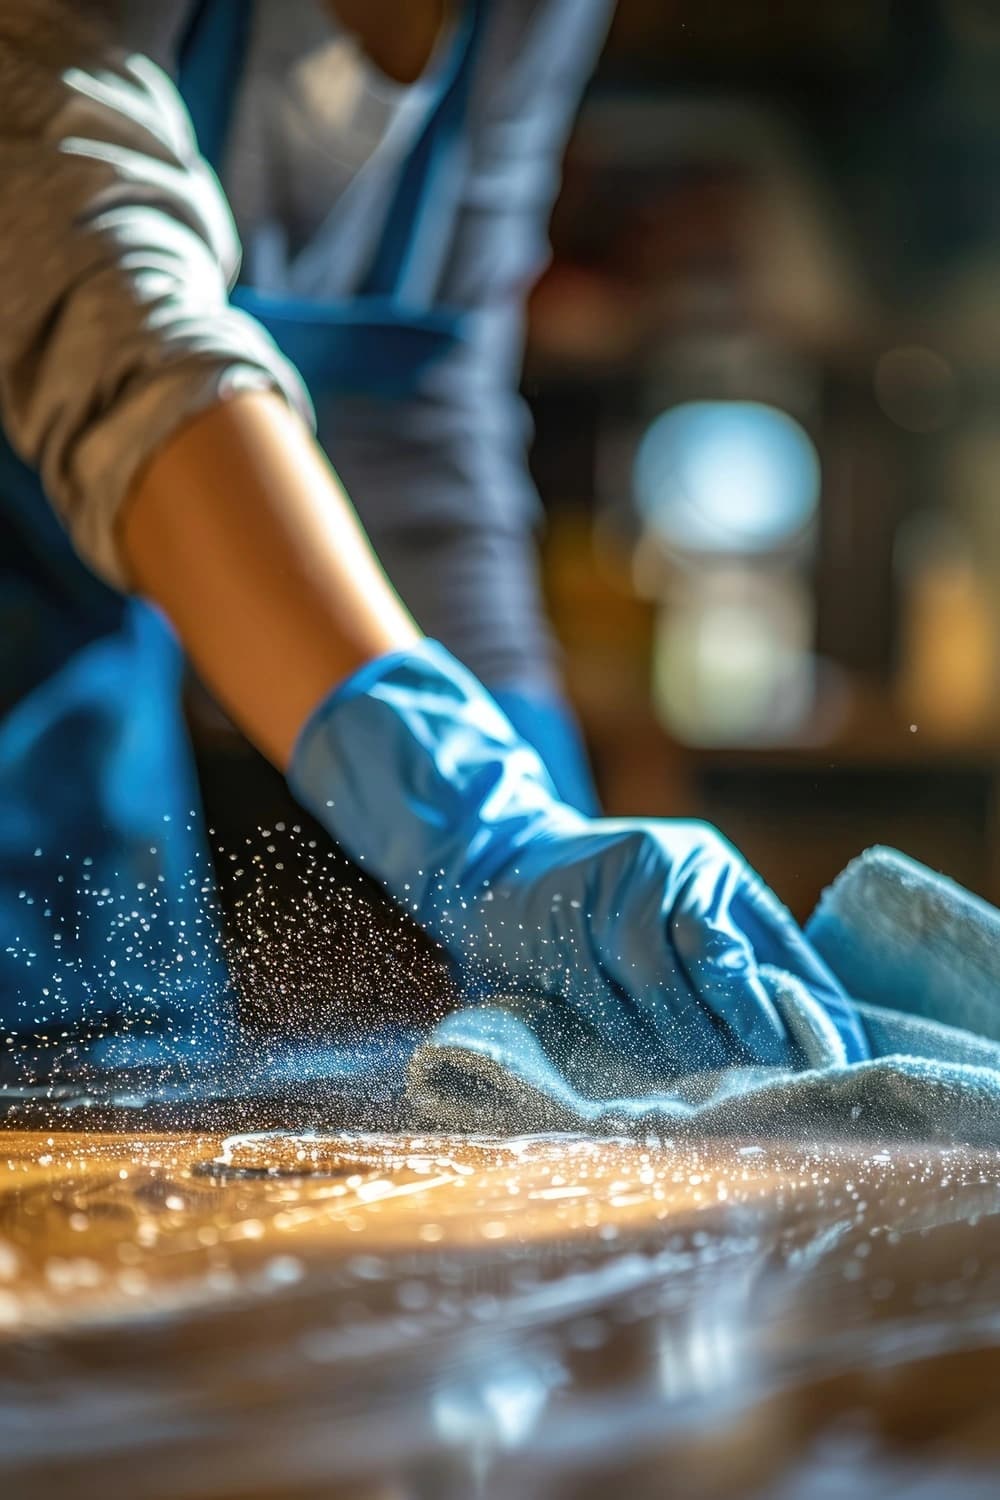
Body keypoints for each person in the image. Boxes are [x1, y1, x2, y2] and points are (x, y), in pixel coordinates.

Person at [0, 0, 869, 1077]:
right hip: (34, 664)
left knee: (108, 1107)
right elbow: (104, 311)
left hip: (93, 692)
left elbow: (416, 408)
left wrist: (550, 841)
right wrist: (478, 831)